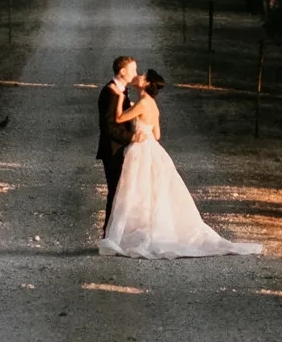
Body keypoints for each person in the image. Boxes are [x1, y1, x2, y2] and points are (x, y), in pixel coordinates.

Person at [100, 68, 263, 259]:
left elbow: (119, 118)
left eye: (142, 75)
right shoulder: (152, 104)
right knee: (150, 191)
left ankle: (133, 232)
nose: (139, 75)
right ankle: (146, 228)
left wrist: (120, 99)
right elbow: (157, 135)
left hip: (141, 150)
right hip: (153, 148)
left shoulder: (143, 103)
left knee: (137, 190)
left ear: (146, 84)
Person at [96, 54, 139, 232]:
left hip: (122, 149)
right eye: (133, 70)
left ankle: (119, 232)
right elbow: (108, 127)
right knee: (115, 193)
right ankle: (109, 233)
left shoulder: (121, 90)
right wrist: (131, 137)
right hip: (113, 151)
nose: (136, 73)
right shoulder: (110, 93)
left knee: (124, 193)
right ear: (122, 71)